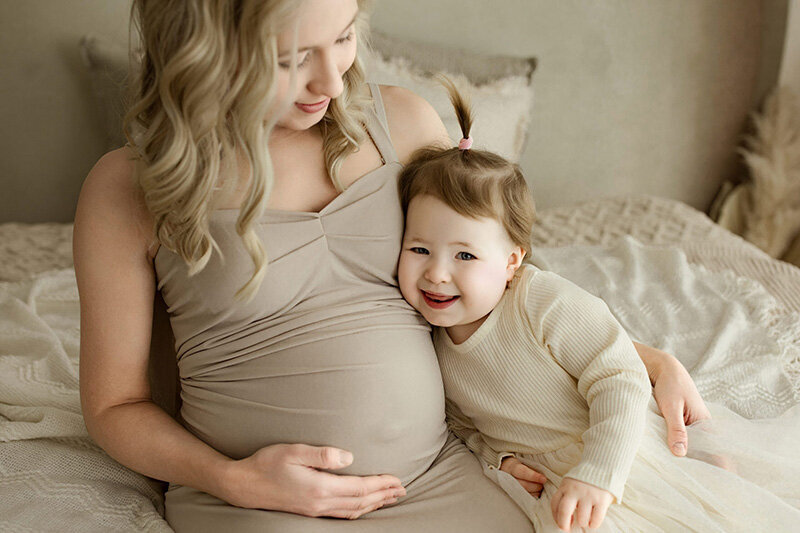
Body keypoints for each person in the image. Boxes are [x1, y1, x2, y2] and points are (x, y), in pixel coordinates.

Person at [73, 0, 711, 530]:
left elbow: (487, 289)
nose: (331, 79)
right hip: (265, 503)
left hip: (439, 474)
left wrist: (635, 356)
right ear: (204, 57)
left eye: (344, 36)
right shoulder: (128, 189)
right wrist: (234, 481)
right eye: (291, 59)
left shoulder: (399, 123)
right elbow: (115, 406)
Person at [396, 79, 800, 532]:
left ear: (512, 262)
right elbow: (462, 423)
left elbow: (621, 375)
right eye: (419, 249)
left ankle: (712, 473)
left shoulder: (538, 299)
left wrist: (599, 473)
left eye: (465, 255)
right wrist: (500, 458)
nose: (437, 273)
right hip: (556, 485)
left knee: (706, 515)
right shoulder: (427, 342)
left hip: (615, 450)